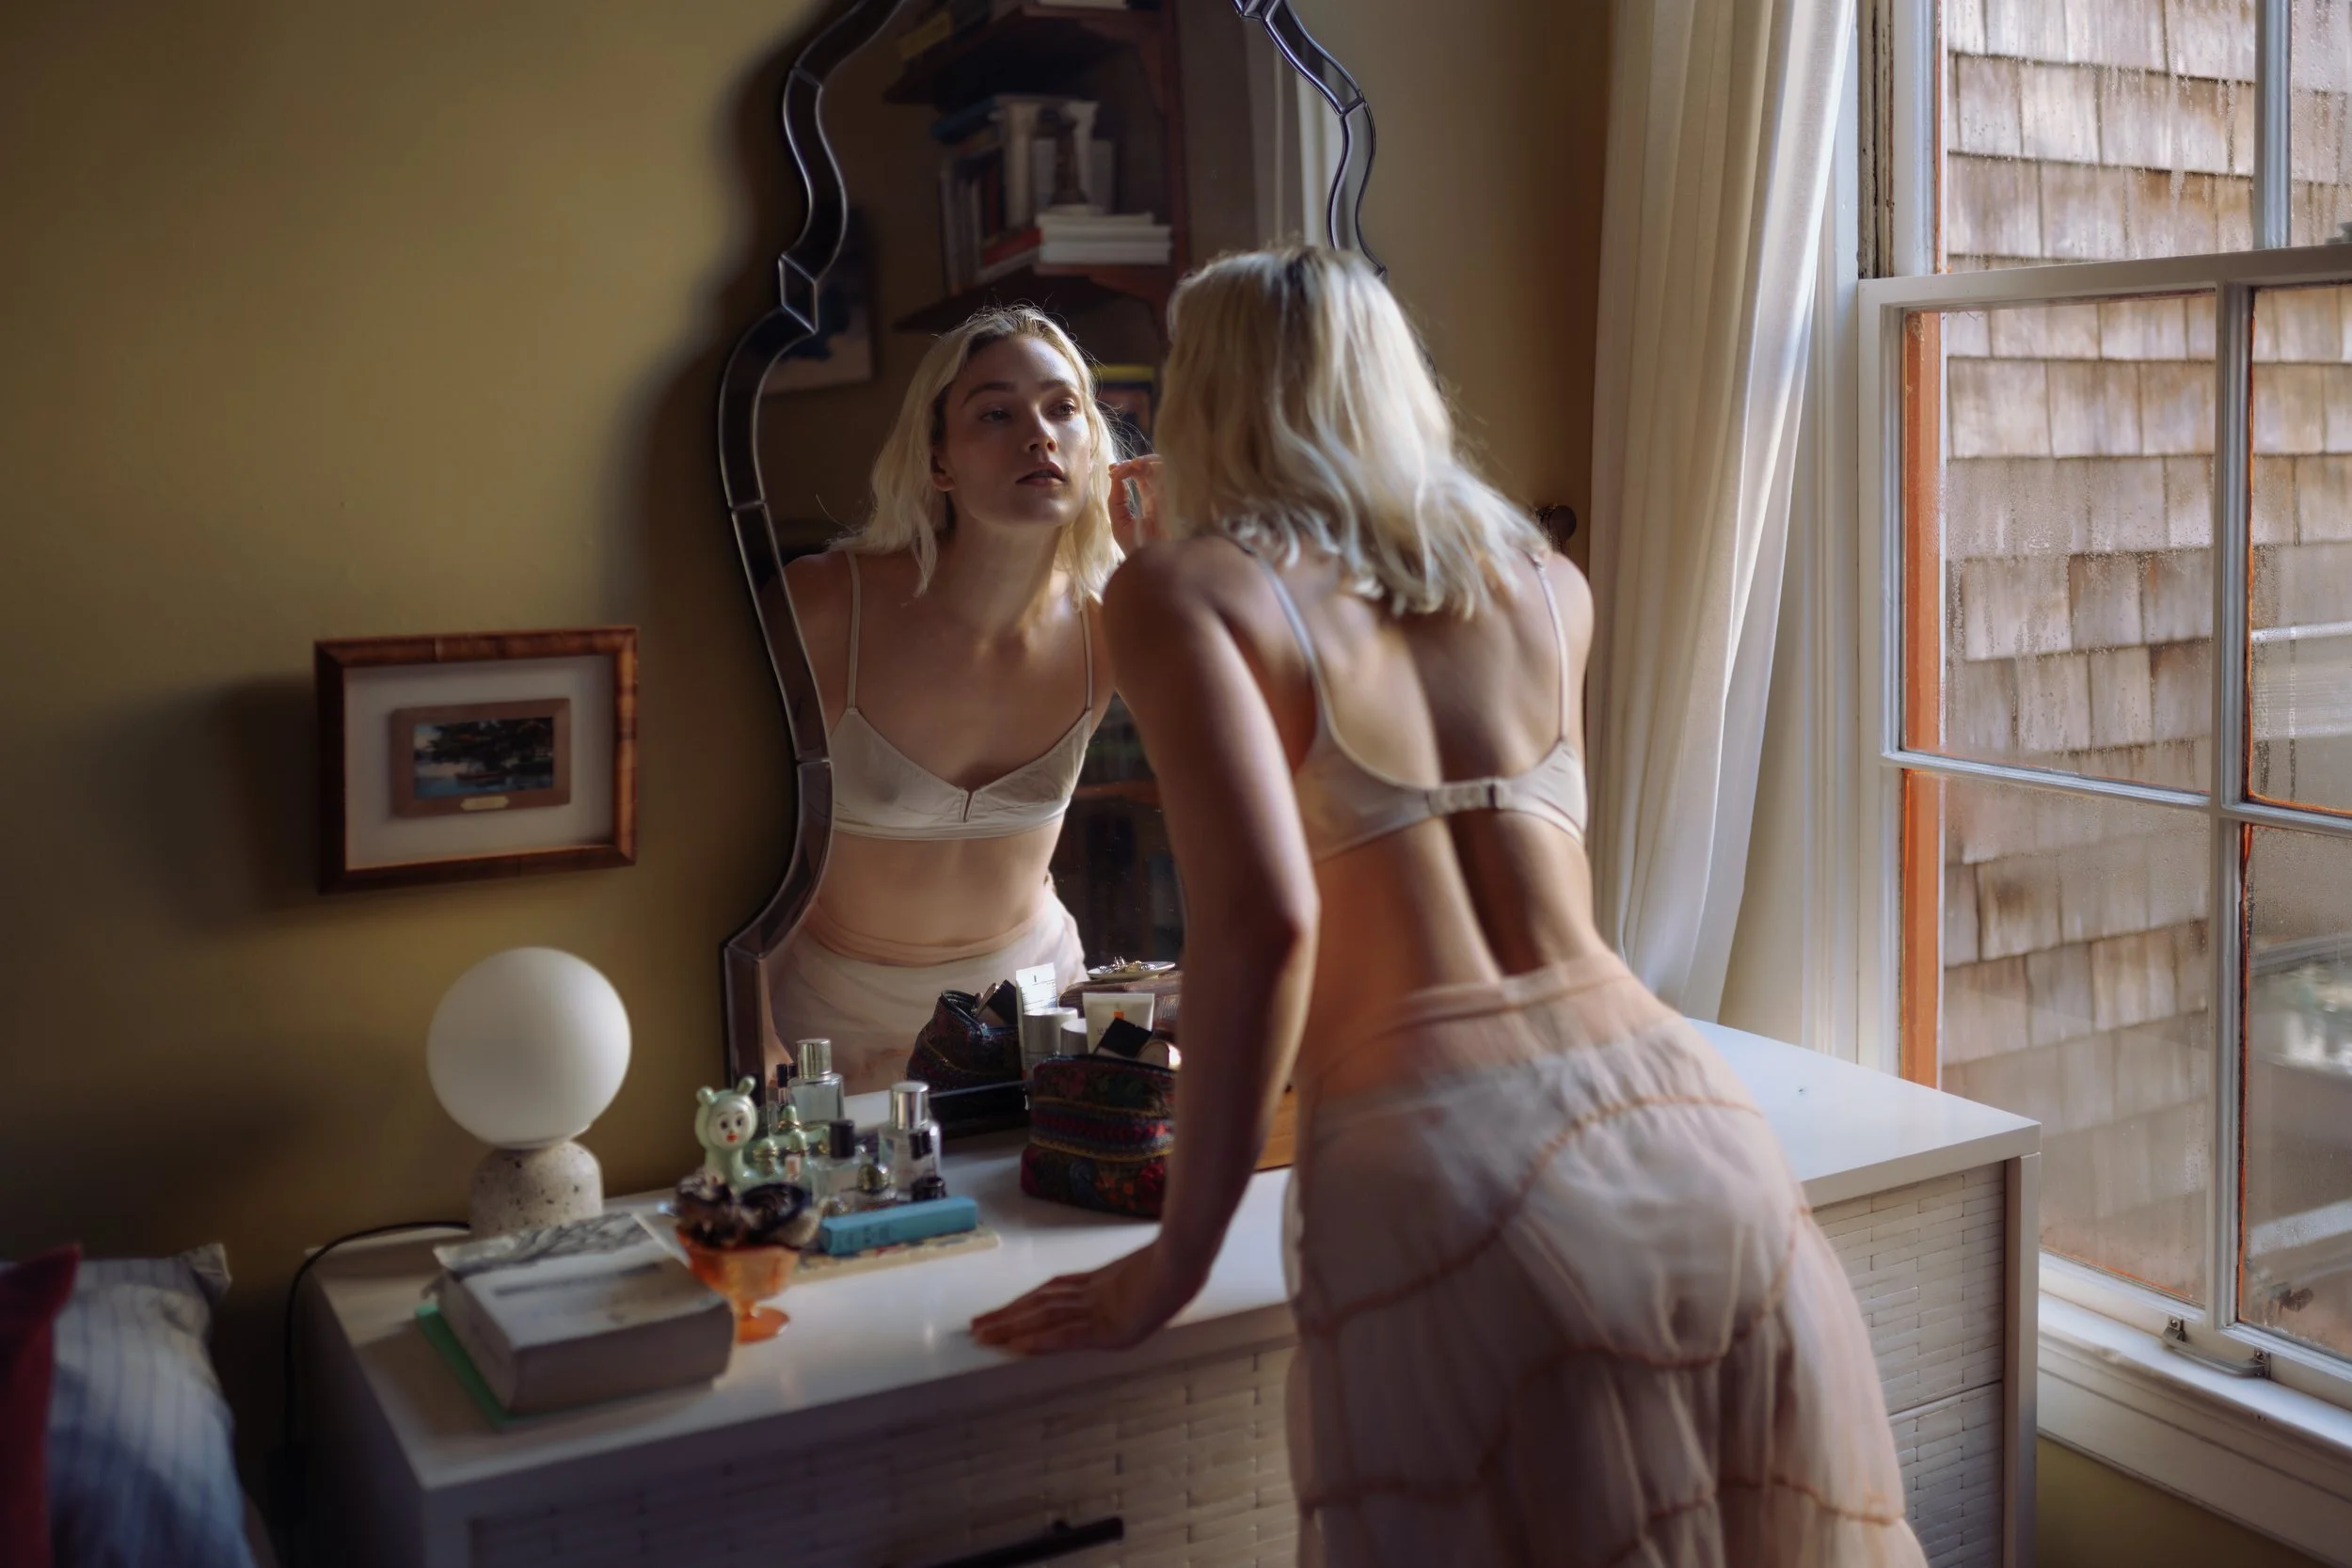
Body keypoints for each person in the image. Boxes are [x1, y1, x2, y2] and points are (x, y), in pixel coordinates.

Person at [972, 250, 1925, 1567]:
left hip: (1442, 1161)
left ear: (1211, 401)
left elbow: (1266, 926)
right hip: (1685, 1130)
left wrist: (1173, 1260)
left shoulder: (1183, 590)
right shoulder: (1545, 582)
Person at [771, 307, 1121, 1091]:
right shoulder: (828, 605)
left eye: (1062, 408)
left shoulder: (1111, 626)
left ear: (1091, 444)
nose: (1039, 435)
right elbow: (720, 836)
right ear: (938, 461)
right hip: (834, 1018)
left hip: (1036, 1006)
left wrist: (1168, 570)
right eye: (996, 413)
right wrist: (751, 1026)